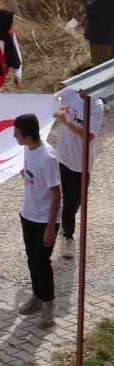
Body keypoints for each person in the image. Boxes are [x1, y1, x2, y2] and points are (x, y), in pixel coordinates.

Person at [14, 114, 61, 329]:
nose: (14, 136)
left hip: (44, 221)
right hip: (28, 215)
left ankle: (49, 305)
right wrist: (25, 173)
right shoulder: (28, 148)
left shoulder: (48, 158)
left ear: (28, 135)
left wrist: (50, 228)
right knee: (31, 260)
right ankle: (37, 296)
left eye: (17, 133)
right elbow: (30, 173)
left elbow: (56, 194)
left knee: (42, 262)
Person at [53, 87, 105, 258]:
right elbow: (51, 101)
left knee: (78, 199)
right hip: (63, 155)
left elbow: (89, 135)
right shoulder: (69, 93)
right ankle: (69, 238)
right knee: (68, 198)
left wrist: (66, 122)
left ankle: (66, 219)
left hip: (82, 161)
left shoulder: (96, 105)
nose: (81, 90)